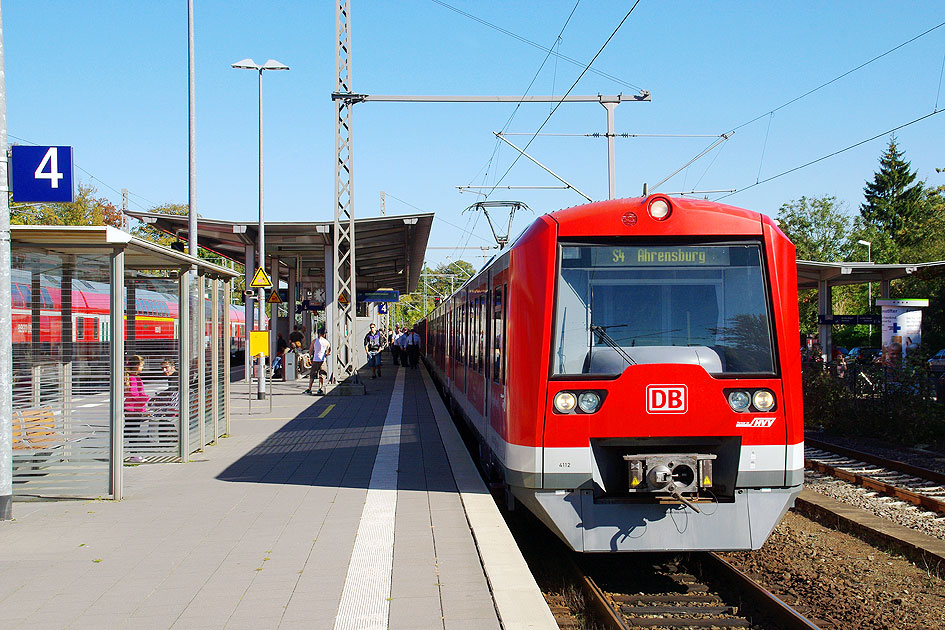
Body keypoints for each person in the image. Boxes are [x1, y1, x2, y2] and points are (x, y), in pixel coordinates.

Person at [124, 355, 150, 459]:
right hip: (134, 409)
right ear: (137, 366)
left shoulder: (129, 377)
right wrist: (146, 399)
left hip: (130, 408)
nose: (142, 368)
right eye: (142, 366)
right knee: (134, 432)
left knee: (131, 431)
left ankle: (133, 454)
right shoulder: (133, 378)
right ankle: (134, 455)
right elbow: (134, 394)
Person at [305, 329, 331, 395]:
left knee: (312, 375)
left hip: (315, 360)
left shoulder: (314, 341)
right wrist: (326, 354)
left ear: (319, 333)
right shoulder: (326, 342)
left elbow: (310, 350)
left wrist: (310, 357)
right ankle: (320, 389)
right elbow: (329, 351)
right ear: (324, 334)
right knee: (322, 374)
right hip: (322, 360)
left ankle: (309, 389)